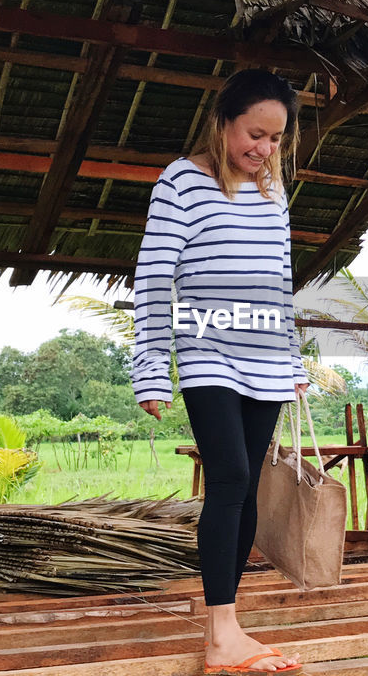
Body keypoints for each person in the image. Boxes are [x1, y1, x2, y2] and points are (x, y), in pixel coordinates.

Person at [133, 69, 309, 675]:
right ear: (224, 122)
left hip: (264, 355)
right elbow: (156, 277)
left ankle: (225, 626)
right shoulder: (181, 182)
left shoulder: (273, 196)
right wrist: (152, 367)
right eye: (254, 134)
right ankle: (222, 634)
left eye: (276, 139)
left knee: (249, 485)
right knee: (229, 477)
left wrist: (293, 358)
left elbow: (278, 284)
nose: (263, 150)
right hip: (207, 351)